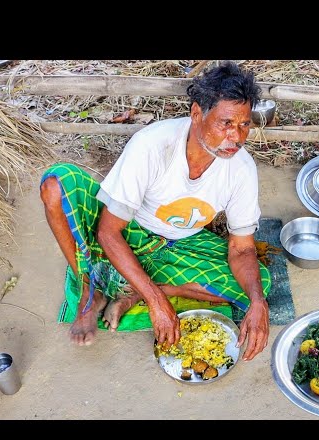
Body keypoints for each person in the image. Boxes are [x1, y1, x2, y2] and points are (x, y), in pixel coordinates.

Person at [39, 61, 271, 360]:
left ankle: (136, 290)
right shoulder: (152, 145)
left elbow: (241, 249)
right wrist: (156, 303)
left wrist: (258, 302)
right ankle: (90, 290)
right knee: (57, 184)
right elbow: (108, 232)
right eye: (226, 123)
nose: (237, 137)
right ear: (197, 114)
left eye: (244, 125)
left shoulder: (241, 169)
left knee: (259, 285)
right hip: (130, 232)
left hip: (182, 244)